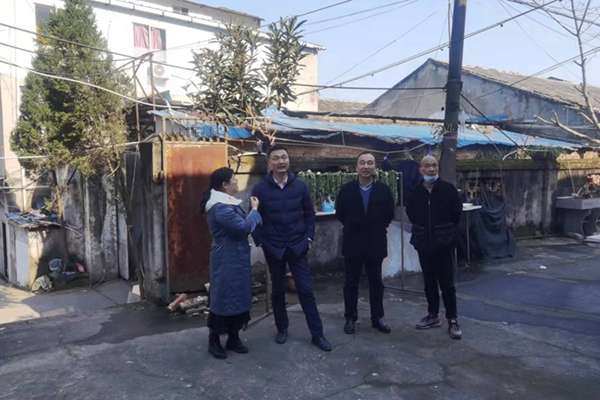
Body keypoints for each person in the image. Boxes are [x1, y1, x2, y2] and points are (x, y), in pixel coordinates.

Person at [251, 145, 332, 352]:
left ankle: (317, 334)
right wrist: (262, 243)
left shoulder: (300, 186)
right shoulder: (260, 189)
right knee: (278, 291)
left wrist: (308, 238)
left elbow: (309, 215)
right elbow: (253, 218)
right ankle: (282, 328)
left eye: (284, 157)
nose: (281, 161)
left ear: (289, 160)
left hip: (298, 246)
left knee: (306, 290)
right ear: (269, 163)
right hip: (274, 247)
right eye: (276, 158)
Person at [200, 167, 262, 359]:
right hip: (226, 258)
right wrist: (254, 211)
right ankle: (214, 339)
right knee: (223, 297)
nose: (237, 182)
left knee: (238, 296)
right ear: (225, 185)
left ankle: (233, 337)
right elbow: (243, 227)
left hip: (237, 257)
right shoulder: (220, 208)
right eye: (234, 179)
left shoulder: (226, 203)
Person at [336, 152, 395, 335]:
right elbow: (340, 213)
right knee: (351, 282)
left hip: (375, 242)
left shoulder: (384, 190)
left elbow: (389, 215)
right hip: (352, 242)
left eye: (370, 163)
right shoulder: (346, 190)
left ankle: (377, 317)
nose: (366, 167)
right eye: (362, 163)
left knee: (376, 282)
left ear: (375, 167)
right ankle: (350, 317)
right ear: (357, 167)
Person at [406, 156, 463, 340]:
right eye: (427, 166)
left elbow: (456, 215)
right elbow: (411, 214)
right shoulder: (415, 192)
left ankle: (452, 319)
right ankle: (433, 315)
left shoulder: (448, 190)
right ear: (420, 170)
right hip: (424, 243)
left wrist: (445, 232)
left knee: (447, 283)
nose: (431, 169)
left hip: (444, 243)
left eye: (434, 165)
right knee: (429, 282)